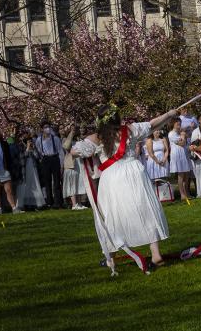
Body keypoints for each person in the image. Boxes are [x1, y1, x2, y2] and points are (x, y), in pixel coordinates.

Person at [72, 104, 179, 271]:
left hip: (112, 177)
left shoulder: (96, 138)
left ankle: (111, 259)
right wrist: (169, 114)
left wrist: (89, 154)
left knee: (113, 214)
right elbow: (152, 124)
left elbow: (75, 151)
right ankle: (156, 254)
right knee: (145, 209)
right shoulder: (129, 130)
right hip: (135, 171)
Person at [33, 122, 64, 209]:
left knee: (57, 181)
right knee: (47, 182)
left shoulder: (56, 138)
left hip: (54, 158)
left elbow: (60, 151)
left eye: (49, 127)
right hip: (45, 159)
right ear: (42, 129)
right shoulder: (39, 140)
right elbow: (38, 151)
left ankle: (58, 202)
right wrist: (40, 158)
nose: (48, 129)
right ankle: (50, 202)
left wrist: (61, 164)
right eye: (45, 127)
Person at [15, 130, 45, 210]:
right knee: (26, 185)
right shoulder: (21, 147)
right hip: (25, 169)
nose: (30, 142)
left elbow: (38, 157)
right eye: (28, 141)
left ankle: (36, 203)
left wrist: (34, 148)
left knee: (35, 184)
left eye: (31, 141)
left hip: (33, 169)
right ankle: (25, 204)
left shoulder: (33, 148)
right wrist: (27, 149)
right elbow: (22, 157)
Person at [61, 126, 88, 210]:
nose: (74, 131)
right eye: (72, 130)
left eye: (75, 130)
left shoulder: (78, 140)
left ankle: (79, 203)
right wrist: (71, 134)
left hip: (79, 163)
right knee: (72, 183)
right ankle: (74, 204)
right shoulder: (65, 139)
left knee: (79, 182)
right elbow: (66, 147)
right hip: (71, 164)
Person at [167, 119, 192, 201]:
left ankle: (187, 192)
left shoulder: (179, 133)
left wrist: (183, 135)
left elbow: (186, 143)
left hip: (184, 154)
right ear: (173, 124)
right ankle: (182, 194)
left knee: (187, 175)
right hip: (177, 155)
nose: (179, 124)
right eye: (177, 123)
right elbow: (182, 143)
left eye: (179, 123)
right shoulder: (171, 134)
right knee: (181, 175)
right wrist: (183, 136)